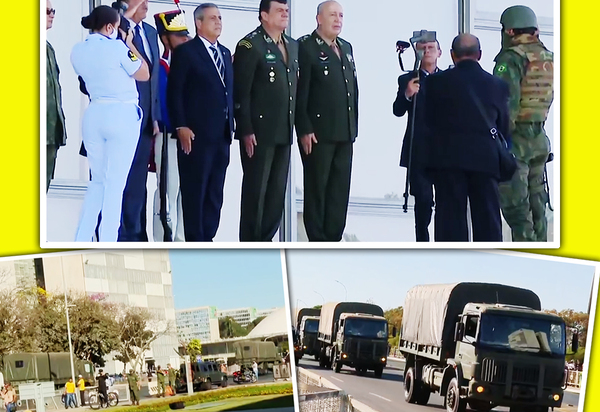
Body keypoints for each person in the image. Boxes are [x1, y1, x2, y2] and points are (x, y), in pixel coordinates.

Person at [71, 4, 149, 242]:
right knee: (116, 185)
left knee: (98, 182)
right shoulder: (117, 47)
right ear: (109, 27)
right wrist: (128, 43)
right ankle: (108, 239)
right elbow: (144, 72)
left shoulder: (77, 50)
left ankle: (82, 237)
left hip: (94, 114)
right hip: (121, 114)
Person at [423, 34, 510, 241]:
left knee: (449, 225)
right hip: (486, 162)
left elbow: (428, 124)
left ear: (452, 56)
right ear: (479, 55)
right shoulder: (497, 85)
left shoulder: (435, 83)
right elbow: (504, 128)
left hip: (447, 163)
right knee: (488, 223)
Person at [167, 3, 234, 242]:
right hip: (196, 136)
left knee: (215, 192)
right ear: (198, 22)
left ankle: (209, 237)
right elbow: (175, 92)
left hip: (222, 135)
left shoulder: (225, 53)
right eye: (213, 18)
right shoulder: (187, 52)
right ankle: (196, 239)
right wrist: (181, 125)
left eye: (220, 18)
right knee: (196, 189)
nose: (218, 22)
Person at [233, 0, 298, 241]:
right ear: (264, 15)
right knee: (256, 191)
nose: (285, 15)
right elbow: (242, 92)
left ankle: (266, 239)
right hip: (259, 132)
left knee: (276, 192)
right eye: (279, 11)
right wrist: (246, 129)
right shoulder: (251, 45)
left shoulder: (292, 45)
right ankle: (250, 242)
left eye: (286, 11)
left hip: (283, 129)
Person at [295, 1, 358, 242]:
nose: (338, 19)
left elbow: (351, 89)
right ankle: (318, 239)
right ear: (318, 18)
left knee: (339, 191)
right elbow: (301, 92)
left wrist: (354, 125)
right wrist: (304, 127)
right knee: (317, 188)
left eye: (341, 15)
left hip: (345, 131)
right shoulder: (306, 47)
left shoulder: (346, 47)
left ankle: (333, 236)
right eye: (332, 14)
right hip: (318, 133)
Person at [493, 5, 553, 242]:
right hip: (539, 138)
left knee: (516, 207)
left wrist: (498, 142)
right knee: (538, 200)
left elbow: (506, 106)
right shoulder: (548, 57)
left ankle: (527, 245)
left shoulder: (510, 59)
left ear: (509, 31)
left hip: (516, 143)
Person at [118, 0, 162, 242]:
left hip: (145, 122)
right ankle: (121, 236)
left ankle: (135, 235)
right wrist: (125, 18)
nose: (146, 3)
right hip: (122, 121)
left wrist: (155, 116)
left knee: (138, 184)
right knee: (121, 183)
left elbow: (152, 78)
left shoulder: (150, 32)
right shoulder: (112, 28)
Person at [393, 36, 441, 242]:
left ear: (439, 52)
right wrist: (407, 94)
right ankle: (422, 239)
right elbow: (397, 110)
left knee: (446, 200)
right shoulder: (407, 79)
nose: (427, 51)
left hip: (443, 149)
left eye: (431, 48)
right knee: (423, 201)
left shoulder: (448, 78)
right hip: (418, 148)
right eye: (423, 48)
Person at [152, 10, 190, 242]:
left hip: (188, 138)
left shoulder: (187, 63)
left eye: (186, 35)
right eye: (178, 36)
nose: (185, 39)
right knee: (168, 190)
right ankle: (164, 238)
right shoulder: (161, 67)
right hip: (168, 135)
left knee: (186, 192)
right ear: (165, 38)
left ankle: (182, 239)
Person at [46, 0, 67, 192]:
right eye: (47, 11)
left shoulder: (48, 48)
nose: (52, 14)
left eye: (53, 11)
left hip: (50, 132)